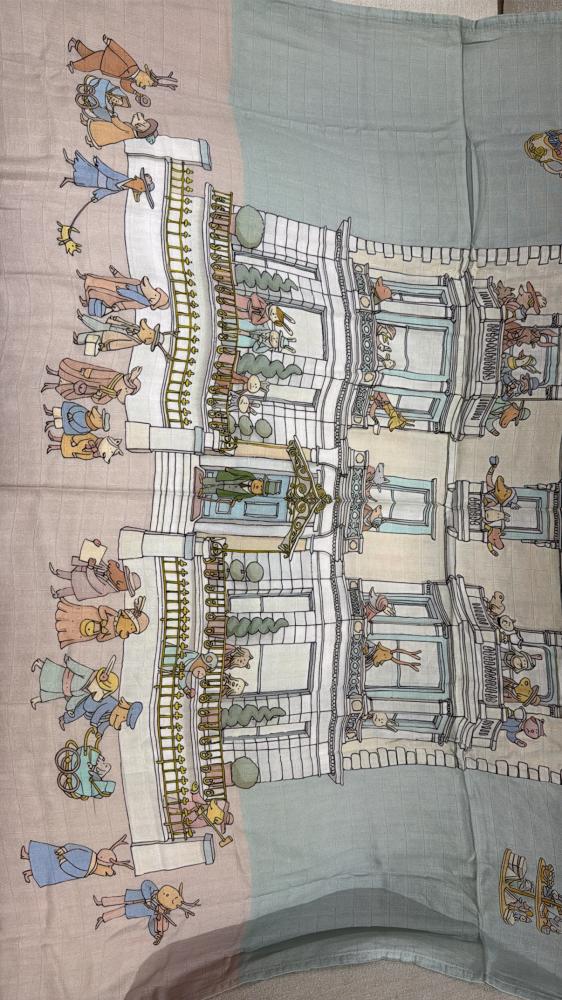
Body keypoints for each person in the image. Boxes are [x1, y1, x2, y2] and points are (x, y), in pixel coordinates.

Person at [67, 36, 177, 106]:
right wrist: (110, 42)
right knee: (87, 65)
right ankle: (73, 65)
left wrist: (136, 93)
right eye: (146, 82)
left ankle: (75, 43)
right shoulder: (133, 66)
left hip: (104, 66)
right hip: (105, 59)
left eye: (145, 86)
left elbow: (124, 85)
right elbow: (121, 53)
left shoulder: (131, 79)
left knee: (87, 54)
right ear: (145, 75)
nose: (143, 86)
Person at [93, 882, 199, 944]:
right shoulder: (154, 890)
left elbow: (151, 923)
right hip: (133, 896)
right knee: (118, 899)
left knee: (121, 911)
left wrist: (156, 934)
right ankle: (101, 902)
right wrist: (148, 898)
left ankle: (103, 918)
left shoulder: (157, 912)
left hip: (135, 910)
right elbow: (146, 883)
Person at [21, 834, 133, 886]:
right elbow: (74, 846)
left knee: (47, 870)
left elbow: (71, 871)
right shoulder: (89, 854)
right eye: (105, 873)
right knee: (46, 855)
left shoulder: (86, 871)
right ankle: (27, 856)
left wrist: (63, 862)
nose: (104, 874)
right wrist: (64, 849)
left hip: (61, 865)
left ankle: (28, 873)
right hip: (61, 856)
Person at [60, 149, 155, 207]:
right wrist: (99, 163)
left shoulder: (122, 188)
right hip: (99, 174)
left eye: (140, 187)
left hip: (97, 183)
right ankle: (68, 160)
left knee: (82, 180)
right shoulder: (123, 178)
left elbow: (107, 191)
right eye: (140, 182)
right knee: (84, 167)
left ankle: (67, 179)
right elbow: (110, 172)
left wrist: (97, 197)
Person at [30, 654, 119, 714]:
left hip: (65, 690)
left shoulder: (86, 692)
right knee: (52, 671)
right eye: (102, 691)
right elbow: (78, 668)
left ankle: (35, 700)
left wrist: (70, 709)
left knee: (51, 695)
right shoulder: (88, 673)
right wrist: (69, 662)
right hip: (65, 676)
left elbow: (75, 699)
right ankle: (39, 663)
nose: (100, 694)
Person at [49, 544, 140, 601]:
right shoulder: (110, 579)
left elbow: (93, 581)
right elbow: (101, 562)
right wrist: (96, 547)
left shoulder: (106, 589)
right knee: (72, 576)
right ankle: (57, 573)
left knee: (71, 590)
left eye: (121, 573)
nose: (119, 571)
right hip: (84, 579)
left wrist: (90, 567)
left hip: (84, 589)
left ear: (119, 583)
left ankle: (57, 594)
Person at [55, 596, 148, 648]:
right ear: (126, 617)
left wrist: (102, 632)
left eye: (132, 630)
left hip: (91, 631)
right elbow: (102, 608)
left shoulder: (114, 633)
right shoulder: (115, 615)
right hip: (92, 615)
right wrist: (104, 619)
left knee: (75, 632)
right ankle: (63, 613)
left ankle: (63, 633)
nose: (129, 630)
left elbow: (100, 639)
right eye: (131, 626)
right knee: (77, 614)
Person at [41, 358, 142, 405]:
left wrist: (97, 396)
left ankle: (49, 385)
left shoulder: (112, 394)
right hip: (87, 378)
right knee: (69, 374)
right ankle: (53, 372)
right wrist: (89, 373)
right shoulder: (115, 376)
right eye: (127, 390)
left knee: (68, 387)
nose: (125, 392)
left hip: (87, 389)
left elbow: (101, 401)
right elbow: (101, 373)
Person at [79, 267, 169, 316]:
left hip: (117, 296)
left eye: (155, 296)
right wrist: (116, 273)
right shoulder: (138, 283)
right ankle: (86, 278)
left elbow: (129, 305)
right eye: (156, 294)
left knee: (98, 294)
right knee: (100, 282)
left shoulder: (142, 302)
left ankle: (86, 302)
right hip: (116, 285)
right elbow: (125, 279)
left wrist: (118, 307)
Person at [200, 468, 271, 507]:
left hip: (229, 490)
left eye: (260, 489)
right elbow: (239, 472)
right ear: (260, 480)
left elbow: (240, 497)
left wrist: (234, 500)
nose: (258, 487)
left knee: (215, 490)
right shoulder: (250, 475)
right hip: (229, 479)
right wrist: (230, 470)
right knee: (215, 481)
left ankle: (203, 491)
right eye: (261, 485)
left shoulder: (250, 495)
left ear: (259, 493)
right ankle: (203, 480)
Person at [46, 431, 123, 463]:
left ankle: (52, 447)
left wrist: (77, 455)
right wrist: (76, 440)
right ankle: (54, 438)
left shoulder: (93, 453)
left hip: (76, 450)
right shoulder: (93, 438)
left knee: (65, 447)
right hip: (75, 442)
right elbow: (84, 436)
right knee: (65, 440)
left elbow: (86, 457)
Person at [43, 402, 109, 435]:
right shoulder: (86, 413)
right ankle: (49, 412)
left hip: (70, 424)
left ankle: (50, 424)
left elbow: (78, 429)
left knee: (61, 423)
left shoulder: (87, 428)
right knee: (60, 411)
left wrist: (71, 421)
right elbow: (78, 408)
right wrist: (71, 412)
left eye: (100, 418)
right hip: (69, 412)